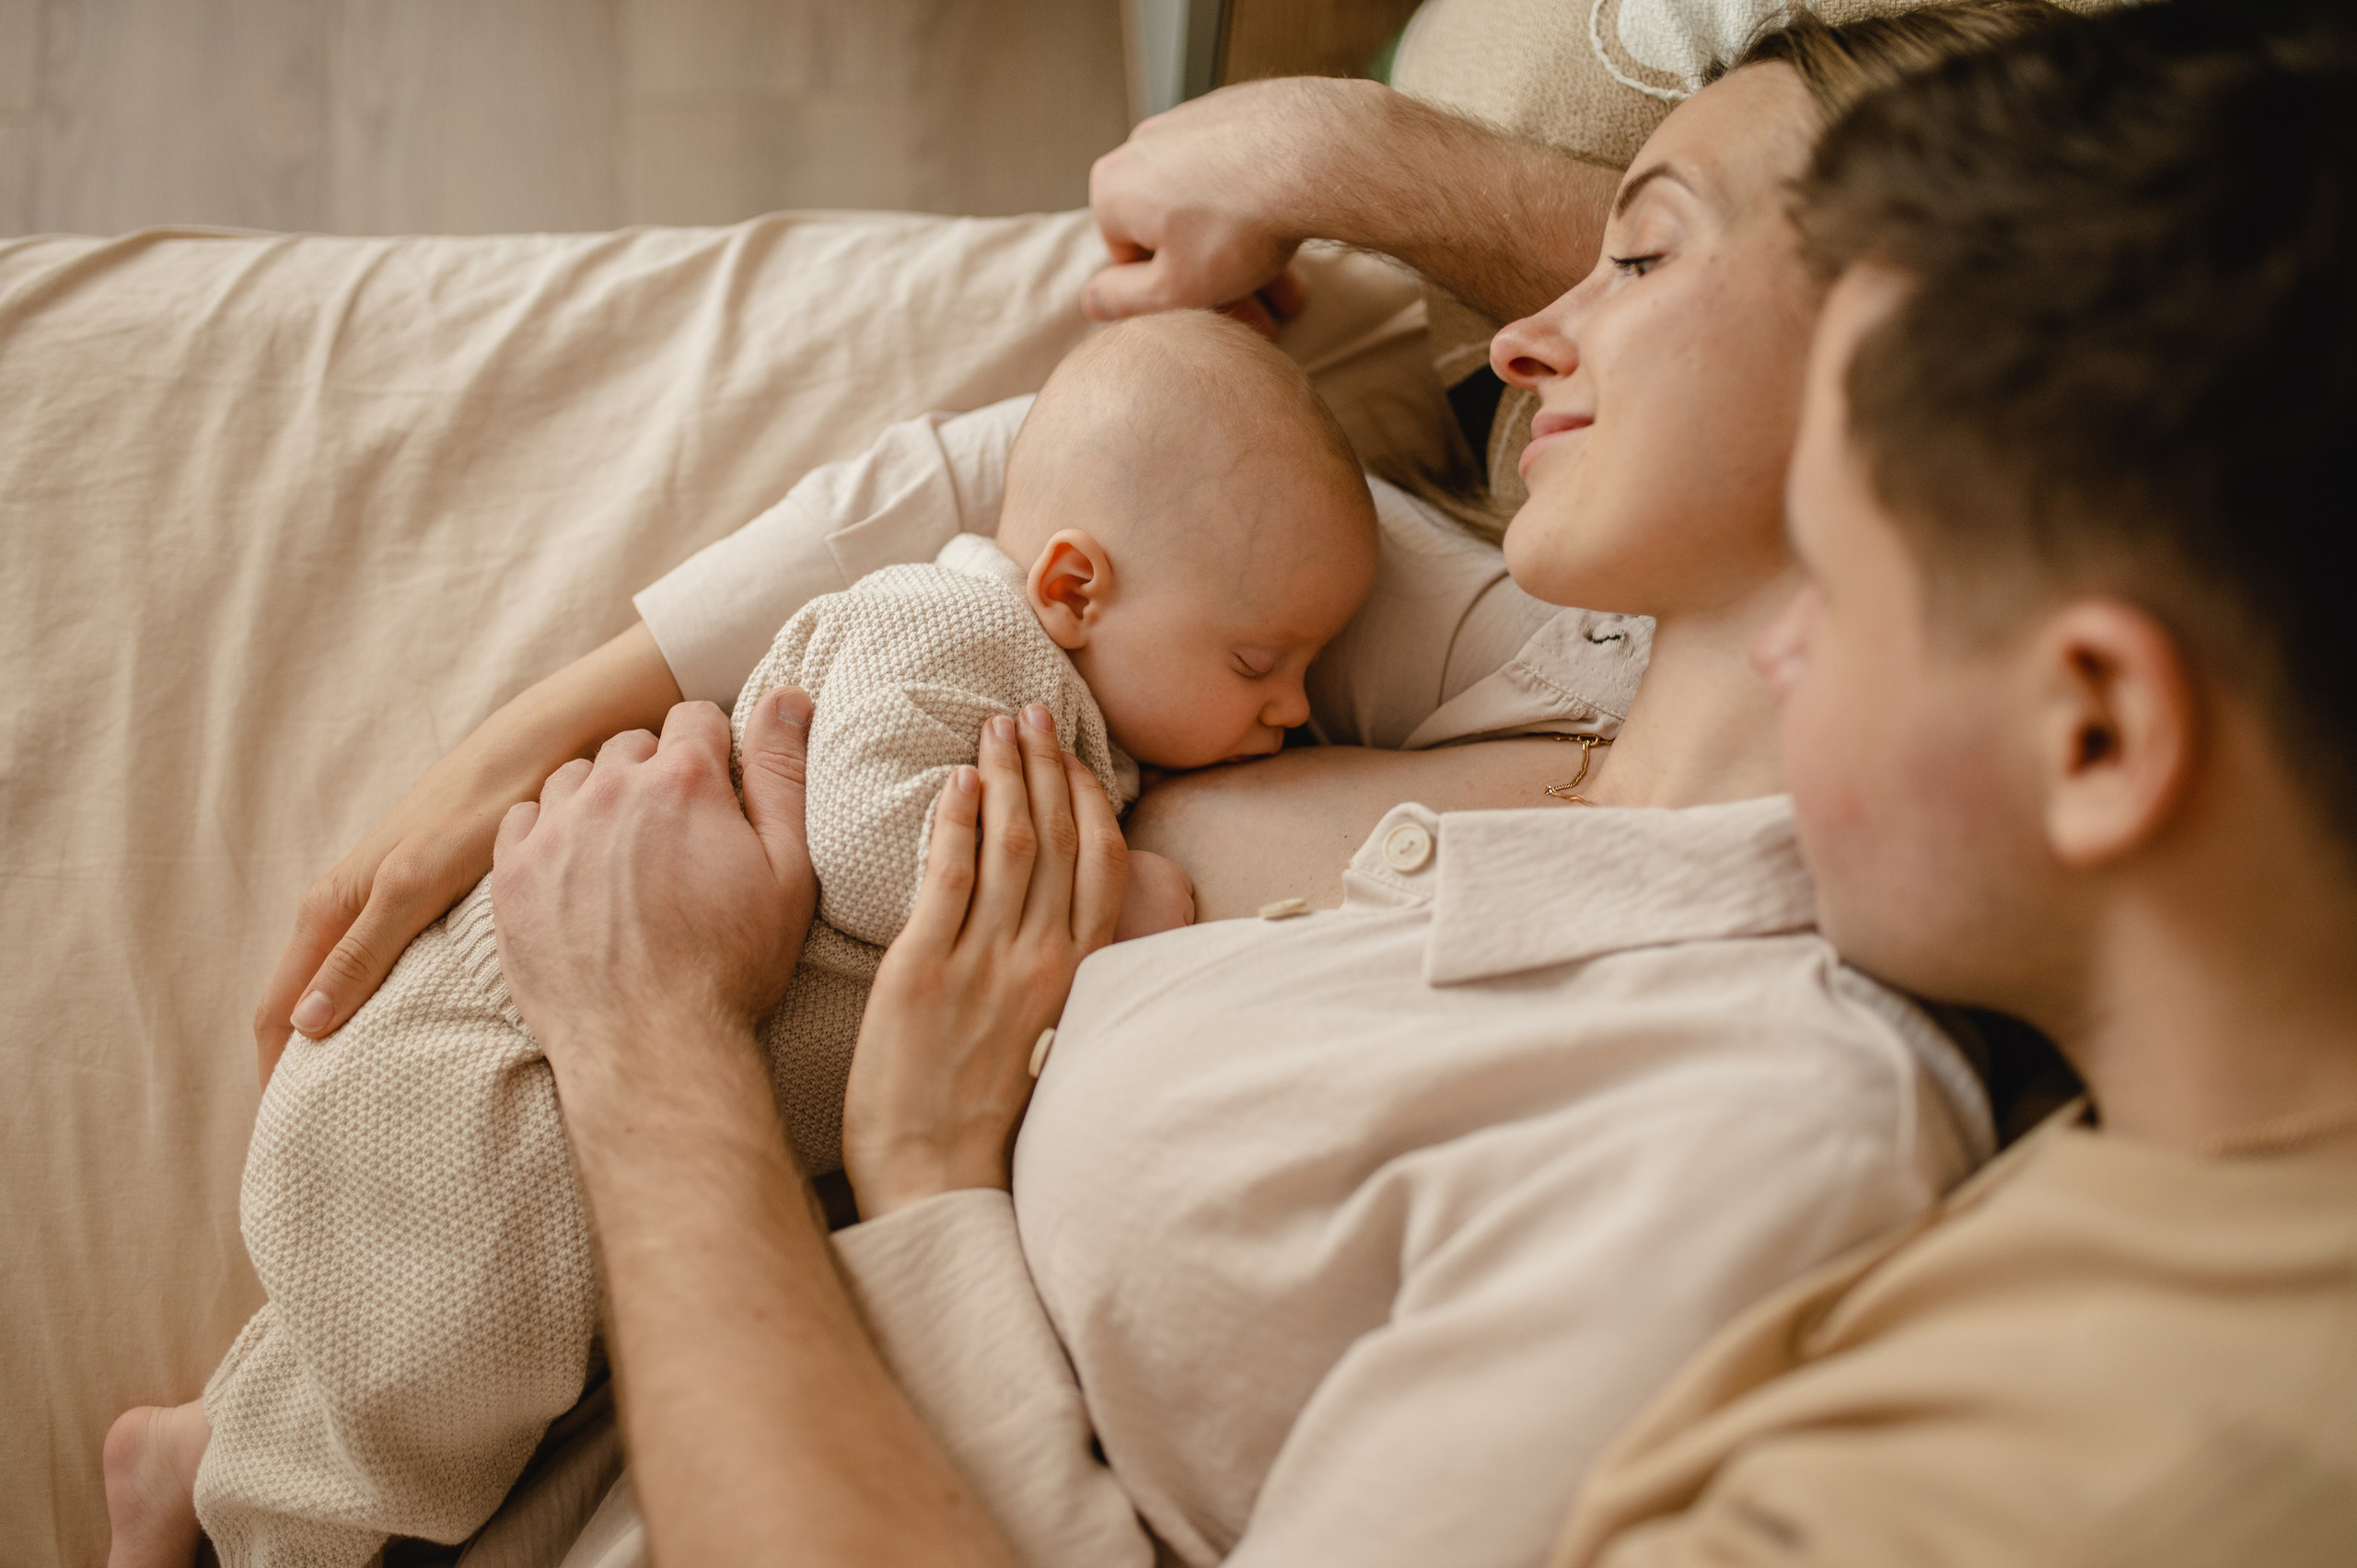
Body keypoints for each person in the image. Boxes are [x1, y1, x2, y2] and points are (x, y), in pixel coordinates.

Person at [102, 6, 2056, 1568]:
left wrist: (818, 1117)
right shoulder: (1523, 642)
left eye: (1631, 250)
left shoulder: (1751, 1104)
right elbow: (1082, 496)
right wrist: (522, 740)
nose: (1527, 333)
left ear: (1926, 358)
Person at [103, 311, 1376, 1568]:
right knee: (439, 1362)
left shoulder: (1069, 696)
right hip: (504, 1076)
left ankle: (189, 1457)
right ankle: (260, 1529)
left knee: (450, 1367)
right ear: (1073, 586)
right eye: (1262, 657)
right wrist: (1112, 896)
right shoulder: (960, 634)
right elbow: (875, 851)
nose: (1295, 706)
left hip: (621, 1091)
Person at [1552, 3, 2357, 1559]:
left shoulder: (1929, 1517)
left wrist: (927, 1191)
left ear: (2097, 738)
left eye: (1835, 588)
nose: (1781, 649)